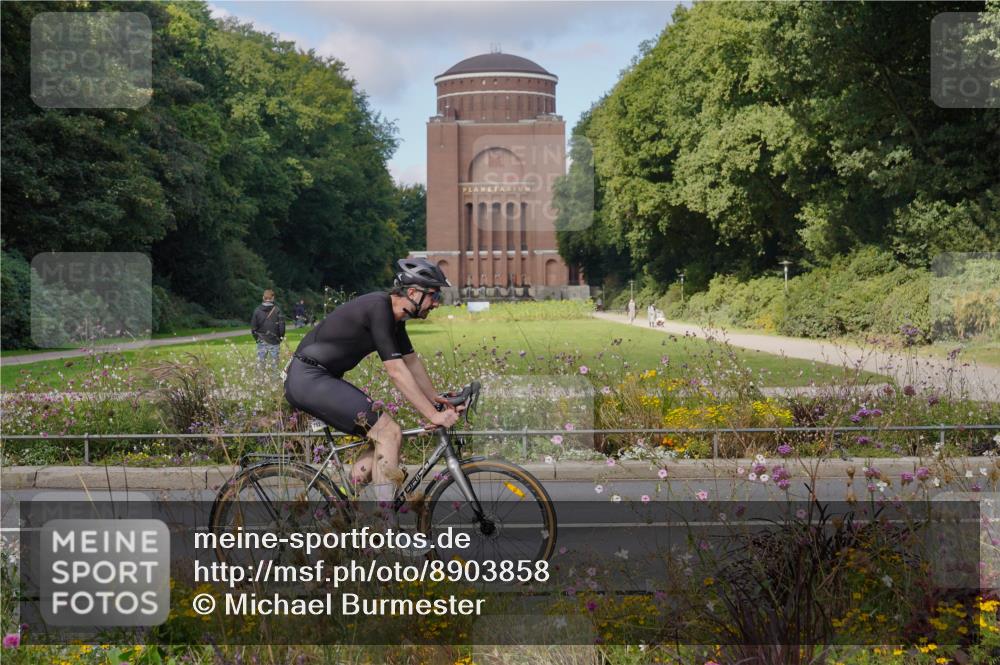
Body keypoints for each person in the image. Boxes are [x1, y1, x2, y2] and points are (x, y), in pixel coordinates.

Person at [283, 258, 460, 551]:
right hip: (309, 378)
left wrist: (437, 401)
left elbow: (411, 363)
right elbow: (395, 371)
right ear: (413, 293)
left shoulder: (395, 319)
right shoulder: (379, 308)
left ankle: (334, 511)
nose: (437, 303)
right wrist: (432, 415)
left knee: (381, 437)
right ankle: (385, 528)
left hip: (320, 377)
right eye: (434, 295)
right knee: (388, 432)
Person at [251, 290, 285, 372]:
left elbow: (253, 328)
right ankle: (275, 383)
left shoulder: (257, 310)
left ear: (263, 298)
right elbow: (282, 327)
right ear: (273, 298)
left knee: (261, 364)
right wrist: (280, 338)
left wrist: (257, 339)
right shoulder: (277, 310)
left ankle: (260, 382)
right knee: (275, 366)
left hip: (261, 340)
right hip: (274, 340)